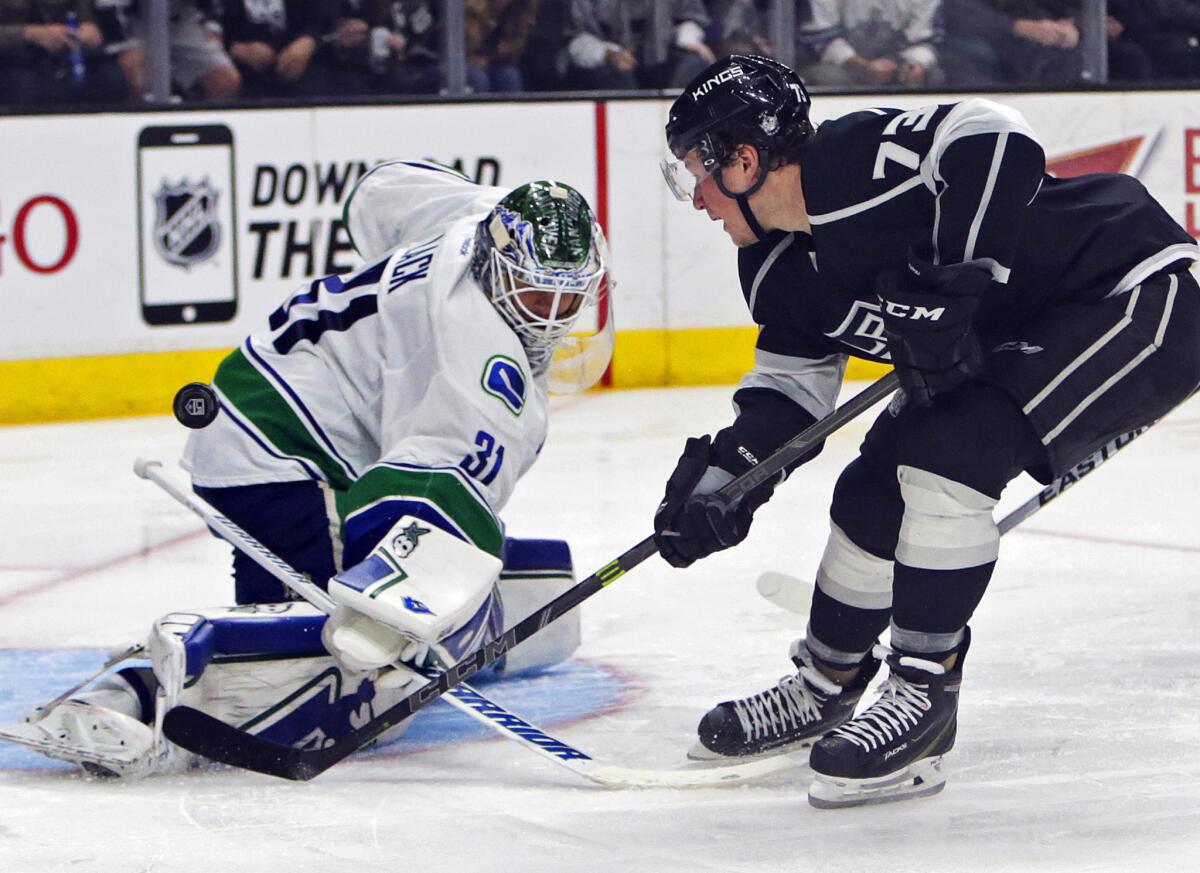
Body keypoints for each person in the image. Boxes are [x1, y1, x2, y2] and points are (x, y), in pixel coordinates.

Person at [655, 55, 1200, 808]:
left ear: (745, 161)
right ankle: (826, 682)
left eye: (700, 172)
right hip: (1018, 333)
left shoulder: (848, 164)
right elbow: (790, 392)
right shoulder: (775, 266)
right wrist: (727, 478)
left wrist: (957, 280)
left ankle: (924, 694)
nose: (697, 198)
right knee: (875, 482)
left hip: (1135, 291)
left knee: (950, 453)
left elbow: (995, 136)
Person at [0, 162, 614, 778]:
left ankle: (222, 649)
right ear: (493, 262)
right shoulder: (479, 360)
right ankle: (127, 693)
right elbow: (417, 493)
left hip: (266, 401)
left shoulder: (474, 215)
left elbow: (378, 192)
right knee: (338, 653)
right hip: (282, 449)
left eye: (568, 297)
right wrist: (394, 608)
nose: (551, 317)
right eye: (535, 294)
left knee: (310, 613)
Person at [800, 0, 945, 88]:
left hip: (897, 68)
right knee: (828, 77)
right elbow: (819, 36)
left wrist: (916, 63)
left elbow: (924, 39)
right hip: (845, 68)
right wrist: (862, 65)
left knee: (935, 76)